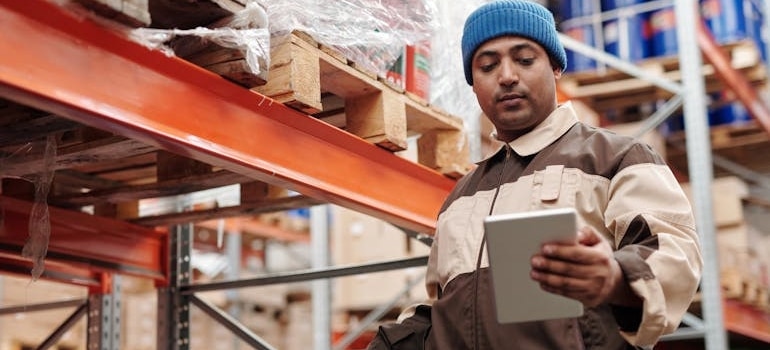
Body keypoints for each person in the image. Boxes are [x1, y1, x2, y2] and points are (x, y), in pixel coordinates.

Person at [410, 1, 702, 349]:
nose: (506, 76)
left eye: (524, 59)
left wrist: (614, 277)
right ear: (473, 84)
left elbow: (675, 254)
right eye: (487, 66)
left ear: (555, 67)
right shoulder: (459, 199)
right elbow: (440, 310)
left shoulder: (617, 159)